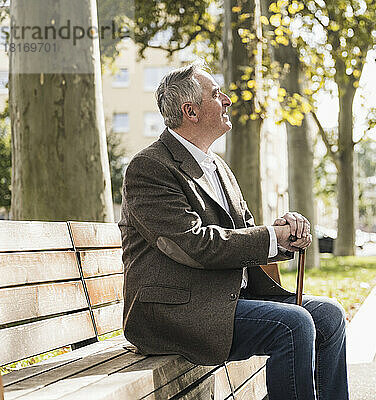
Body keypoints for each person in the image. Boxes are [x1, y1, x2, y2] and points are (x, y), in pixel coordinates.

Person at [118, 62, 348, 400]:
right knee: (294, 325)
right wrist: (271, 236)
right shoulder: (150, 167)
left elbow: (247, 231)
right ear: (190, 111)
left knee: (329, 315)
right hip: (174, 312)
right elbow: (193, 244)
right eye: (216, 94)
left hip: (226, 300)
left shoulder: (219, 167)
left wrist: (285, 235)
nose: (226, 99)